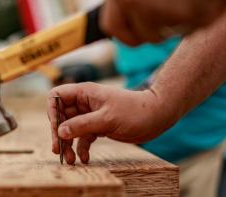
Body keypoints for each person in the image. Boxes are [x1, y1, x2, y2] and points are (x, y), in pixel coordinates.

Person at [47, 1, 226, 196]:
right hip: (145, 158)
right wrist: (95, 69)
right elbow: (126, 43)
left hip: (208, 155)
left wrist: (157, 99)